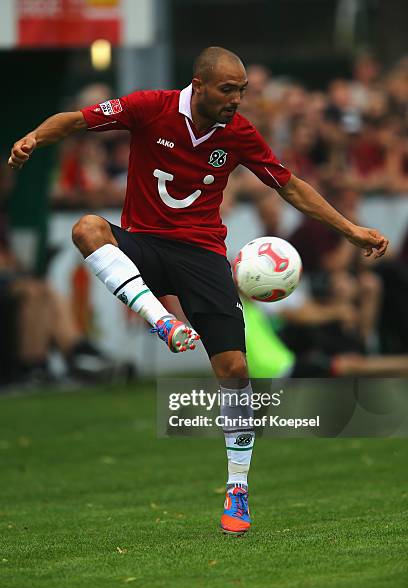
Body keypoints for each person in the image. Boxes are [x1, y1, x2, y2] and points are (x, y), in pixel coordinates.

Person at [8, 46, 389, 536]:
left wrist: (351, 229)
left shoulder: (239, 134)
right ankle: (161, 320)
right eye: (228, 90)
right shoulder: (151, 106)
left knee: (234, 369)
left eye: (243, 91)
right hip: (143, 242)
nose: (236, 100)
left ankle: (237, 489)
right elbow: (77, 121)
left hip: (201, 255)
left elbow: (289, 186)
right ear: (200, 84)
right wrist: (33, 138)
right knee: (86, 228)